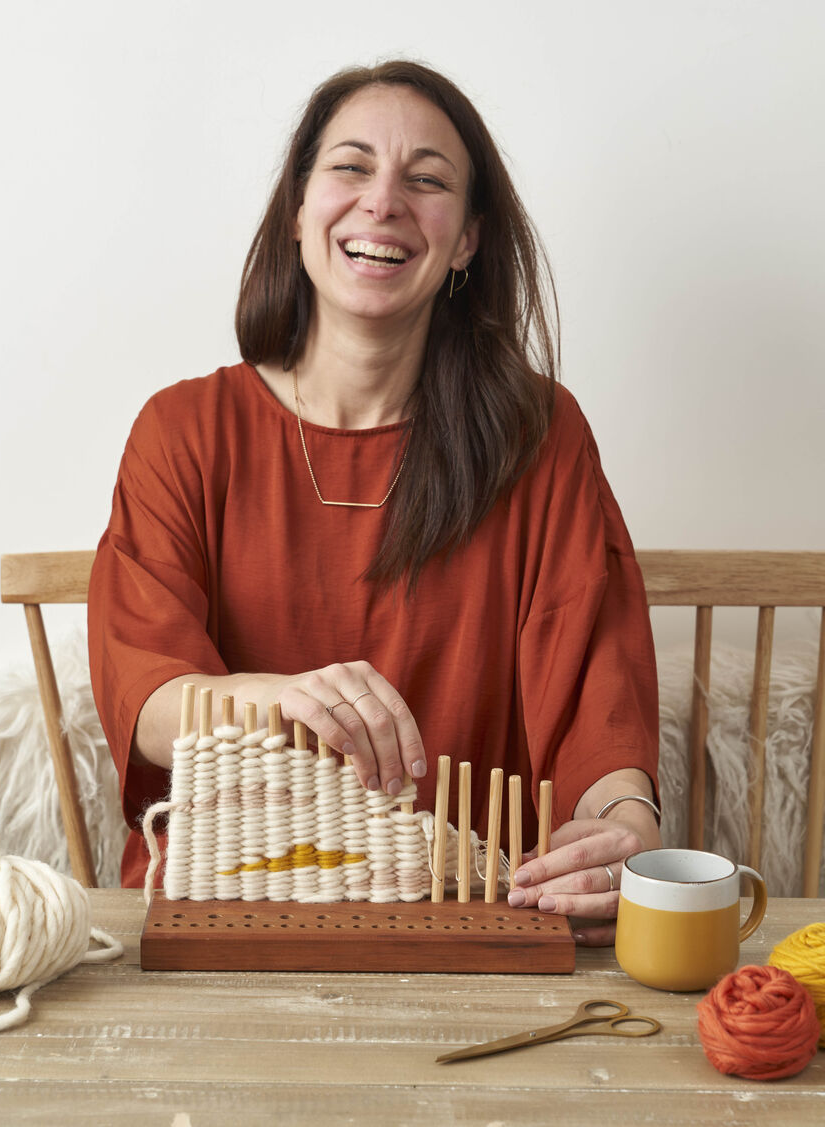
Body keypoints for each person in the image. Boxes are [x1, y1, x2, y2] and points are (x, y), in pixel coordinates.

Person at [88, 60, 660, 945]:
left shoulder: (541, 435)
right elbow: (149, 699)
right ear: (297, 210)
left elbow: (599, 698)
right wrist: (286, 700)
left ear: (466, 240)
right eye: (350, 166)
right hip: (228, 916)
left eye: (425, 179)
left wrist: (628, 830)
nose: (383, 201)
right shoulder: (184, 430)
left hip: (469, 919)